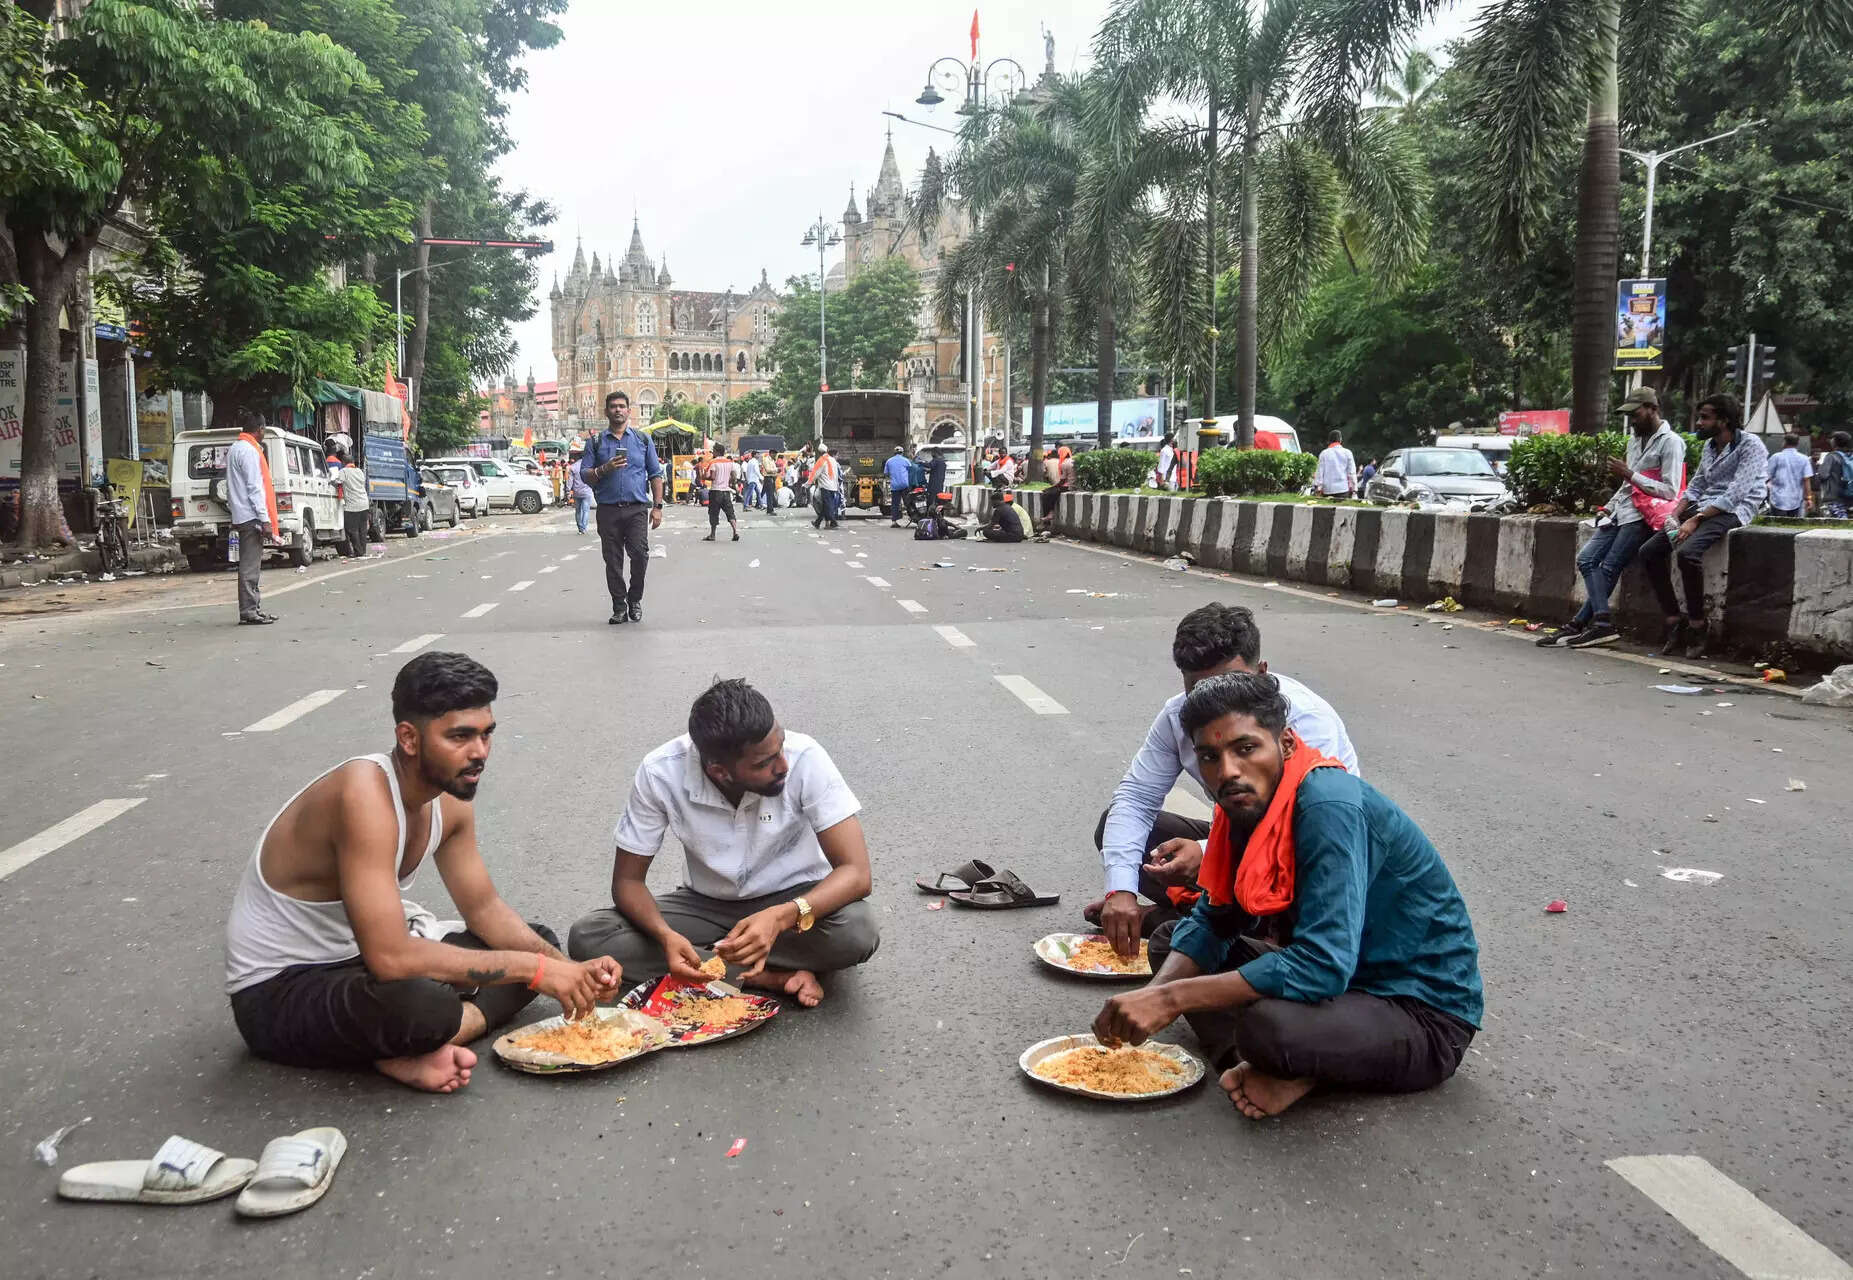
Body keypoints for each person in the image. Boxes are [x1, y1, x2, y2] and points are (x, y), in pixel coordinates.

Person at [224, 652, 621, 1093]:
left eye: (487, 735)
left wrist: (571, 974)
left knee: (537, 939)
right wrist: (535, 970)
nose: (479, 753)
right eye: (460, 737)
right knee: (427, 1004)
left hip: (362, 962)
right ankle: (407, 1044)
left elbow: (485, 910)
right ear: (409, 738)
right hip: (282, 990)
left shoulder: (449, 801)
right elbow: (390, 958)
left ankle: (428, 1039)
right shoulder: (362, 794)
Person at [1091, 672, 1481, 1119]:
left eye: (1246, 748)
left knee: (1269, 1029)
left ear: (1288, 744)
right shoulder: (1242, 803)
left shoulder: (1328, 804)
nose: (1228, 771)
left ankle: (1293, 1068)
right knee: (1169, 943)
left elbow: (1321, 964)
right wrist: (1149, 997)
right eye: (1209, 757)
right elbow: (1216, 920)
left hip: (1417, 1010)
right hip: (1342, 988)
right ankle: (1268, 1069)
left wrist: (1170, 1001)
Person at [568, 679, 880, 1008]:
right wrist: (666, 937)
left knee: (856, 931)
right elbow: (628, 881)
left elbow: (856, 873)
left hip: (795, 902)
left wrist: (780, 918)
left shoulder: (806, 758)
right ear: (720, 771)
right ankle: (767, 977)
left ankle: (719, 967)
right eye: (763, 763)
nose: (782, 766)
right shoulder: (660, 772)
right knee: (591, 936)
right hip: (706, 906)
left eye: (781, 747)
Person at [1087, 602, 1359, 958]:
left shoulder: (1307, 721)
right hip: (1235, 834)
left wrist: (1207, 853)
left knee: (1172, 946)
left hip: (1299, 850)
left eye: (1245, 748)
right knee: (1120, 829)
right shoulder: (1179, 716)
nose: (1215, 708)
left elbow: (1306, 830)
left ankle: (1217, 920)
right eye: (1198, 691)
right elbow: (1136, 798)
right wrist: (1119, 889)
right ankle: (1202, 913)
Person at [1535, 385, 1687, 650]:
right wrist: (1610, 505)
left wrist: (1629, 474)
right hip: (1621, 511)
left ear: (1652, 409)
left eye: (1636, 413)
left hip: (1642, 516)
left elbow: (1671, 490)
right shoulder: (1634, 440)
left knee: (1608, 567)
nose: (1632, 420)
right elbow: (1626, 488)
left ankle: (1588, 625)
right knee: (1586, 559)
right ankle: (1593, 623)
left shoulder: (1671, 442)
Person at [1639, 393, 1767, 659]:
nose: (1699, 423)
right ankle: (1674, 619)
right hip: (1705, 506)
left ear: (1724, 420)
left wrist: (1696, 521)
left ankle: (1698, 625)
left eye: (1705, 418)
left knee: (1688, 553)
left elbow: (1735, 494)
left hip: (1734, 510)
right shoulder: (1710, 446)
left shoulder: (1751, 445)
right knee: (1649, 552)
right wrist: (1675, 515)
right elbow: (1696, 485)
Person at [582, 391, 665, 626]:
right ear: (606, 411)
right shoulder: (595, 443)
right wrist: (604, 468)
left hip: (636, 509)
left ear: (629, 410)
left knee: (640, 555)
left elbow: (656, 475)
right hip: (608, 511)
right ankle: (619, 606)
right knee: (613, 561)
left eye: (622, 406)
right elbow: (585, 475)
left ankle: (635, 599)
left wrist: (657, 507)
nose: (618, 410)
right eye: (613, 407)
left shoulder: (642, 440)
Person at [226, 411, 280, 626]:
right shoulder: (249, 451)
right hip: (251, 515)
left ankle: (254, 607)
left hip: (241, 513)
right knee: (250, 565)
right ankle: (249, 611)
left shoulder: (235, 449)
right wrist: (265, 519)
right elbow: (255, 488)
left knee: (251, 564)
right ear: (260, 429)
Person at [1766, 433, 1814, 518]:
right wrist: (1809, 498)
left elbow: (1767, 476)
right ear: (1797, 444)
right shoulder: (1804, 459)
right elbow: (1806, 480)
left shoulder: (1776, 457)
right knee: (1793, 525)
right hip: (1796, 499)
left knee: (1777, 524)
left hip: (1778, 498)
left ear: (1784, 442)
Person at [338, 450, 372, 558]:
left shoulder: (344, 471)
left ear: (343, 462)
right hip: (364, 503)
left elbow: (336, 481)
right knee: (362, 529)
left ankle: (358, 551)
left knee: (351, 529)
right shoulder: (360, 471)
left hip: (352, 505)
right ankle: (363, 550)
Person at [704, 452, 740, 542]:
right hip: (726, 491)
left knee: (713, 513)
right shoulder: (729, 462)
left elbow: (712, 477)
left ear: (716, 451)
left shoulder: (713, 462)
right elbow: (734, 476)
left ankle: (712, 534)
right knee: (730, 512)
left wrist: (704, 477)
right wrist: (730, 482)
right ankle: (735, 532)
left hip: (715, 491)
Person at [1817, 431, 1853, 519]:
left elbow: (1823, 475)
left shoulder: (1831, 456)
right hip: (1850, 496)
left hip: (1834, 497)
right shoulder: (1851, 456)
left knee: (1837, 526)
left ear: (1834, 442)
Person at [1314, 431, 1358, 499]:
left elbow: (1319, 473)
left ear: (1329, 441)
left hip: (1327, 490)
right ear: (1340, 440)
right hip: (1343, 489)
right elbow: (1351, 473)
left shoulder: (1324, 454)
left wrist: (1318, 488)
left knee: (1326, 509)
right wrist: (1354, 490)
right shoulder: (1348, 453)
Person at [809, 445, 842, 529]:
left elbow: (816, 473)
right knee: (826, 506)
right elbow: (836, 475)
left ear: (820, 453)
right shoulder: (833, 461)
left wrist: (808, 483)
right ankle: (818, 523)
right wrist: (837, 486)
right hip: (833, 486)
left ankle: (833, 522)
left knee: (828, 505)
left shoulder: (822, 460)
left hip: (825, 487)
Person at [884, 446, 913, 528]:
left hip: (895, 485)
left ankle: (894, 522)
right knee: (908, 502)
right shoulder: (906, 460)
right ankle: (912, 517)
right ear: (902, 452)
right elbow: (911, 469)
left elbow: (886, 473)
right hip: (905, 485)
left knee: (895, 504)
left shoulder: (889, 461)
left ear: (894, 453)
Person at [568, 449, 593, 535]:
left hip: (577, 492)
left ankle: (580, 528)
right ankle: (584, 528)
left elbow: (570, 482)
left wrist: (568, 491)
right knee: (586, 510)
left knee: (578, 511)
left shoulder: (573, 467)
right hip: (587, 492)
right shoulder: (589, 466)